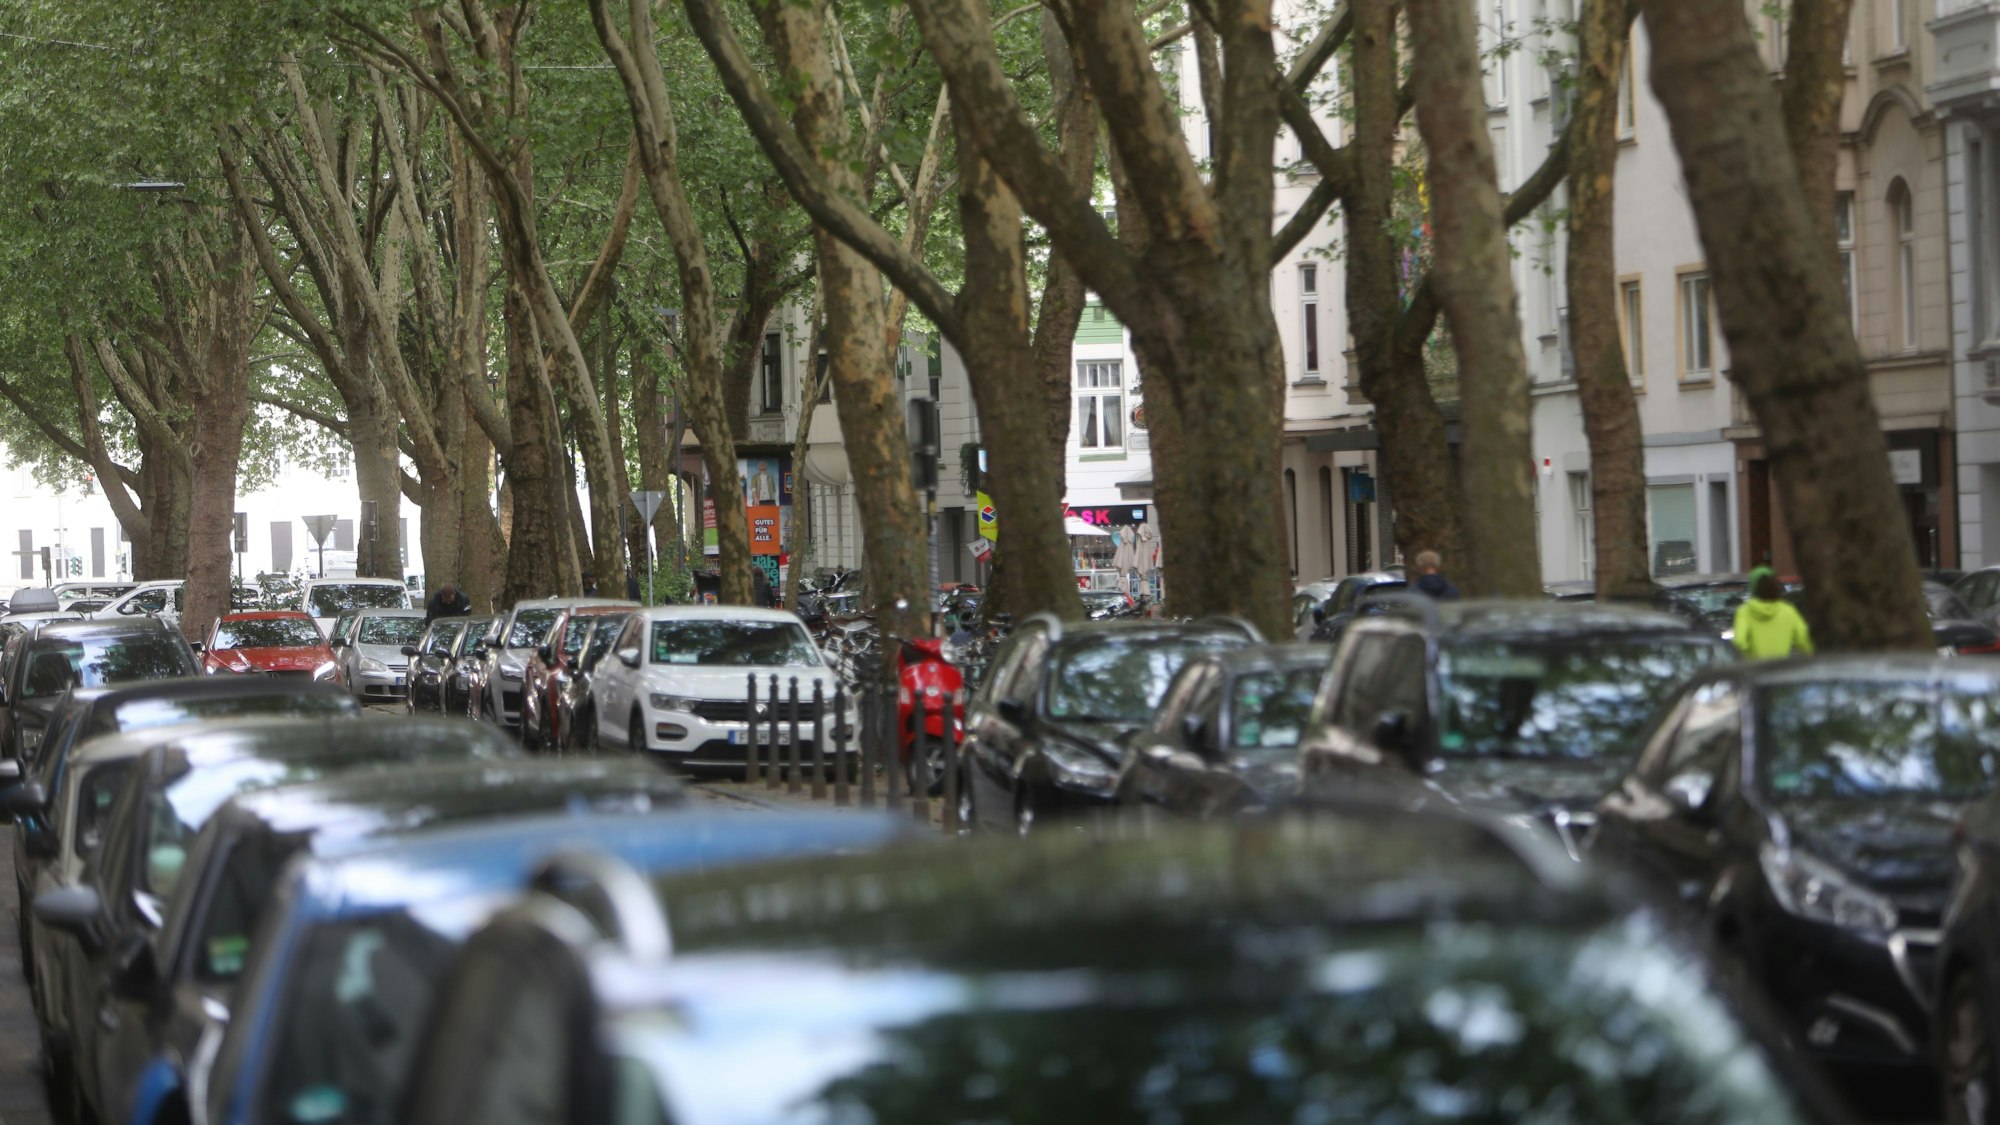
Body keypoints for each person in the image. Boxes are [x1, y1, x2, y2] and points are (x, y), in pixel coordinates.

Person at [1731, 567, 1813, 660]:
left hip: (1755, 669)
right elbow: (1803, 640)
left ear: (1754, 588)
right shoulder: (1788, 611)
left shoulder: (1744, 611)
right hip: (1779, 669)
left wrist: (1749, 655)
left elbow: (1740, 642)